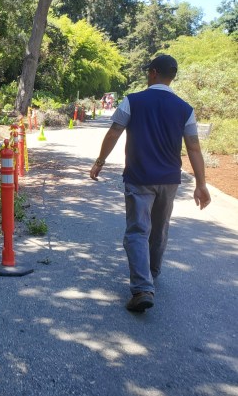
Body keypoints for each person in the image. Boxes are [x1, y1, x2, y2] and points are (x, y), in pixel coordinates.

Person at [89, 54, 211, 313]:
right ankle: (151, 274)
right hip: (169, 181)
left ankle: (143, 288)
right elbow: (194, 148)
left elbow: (114, 132)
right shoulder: (185, 108)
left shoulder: (133, 101)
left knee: (137, 231)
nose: (147, 75)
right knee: (159, 229)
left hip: (139, 177)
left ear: (154, 72)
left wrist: (99, 162)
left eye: (149, 71)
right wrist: (201, 184)